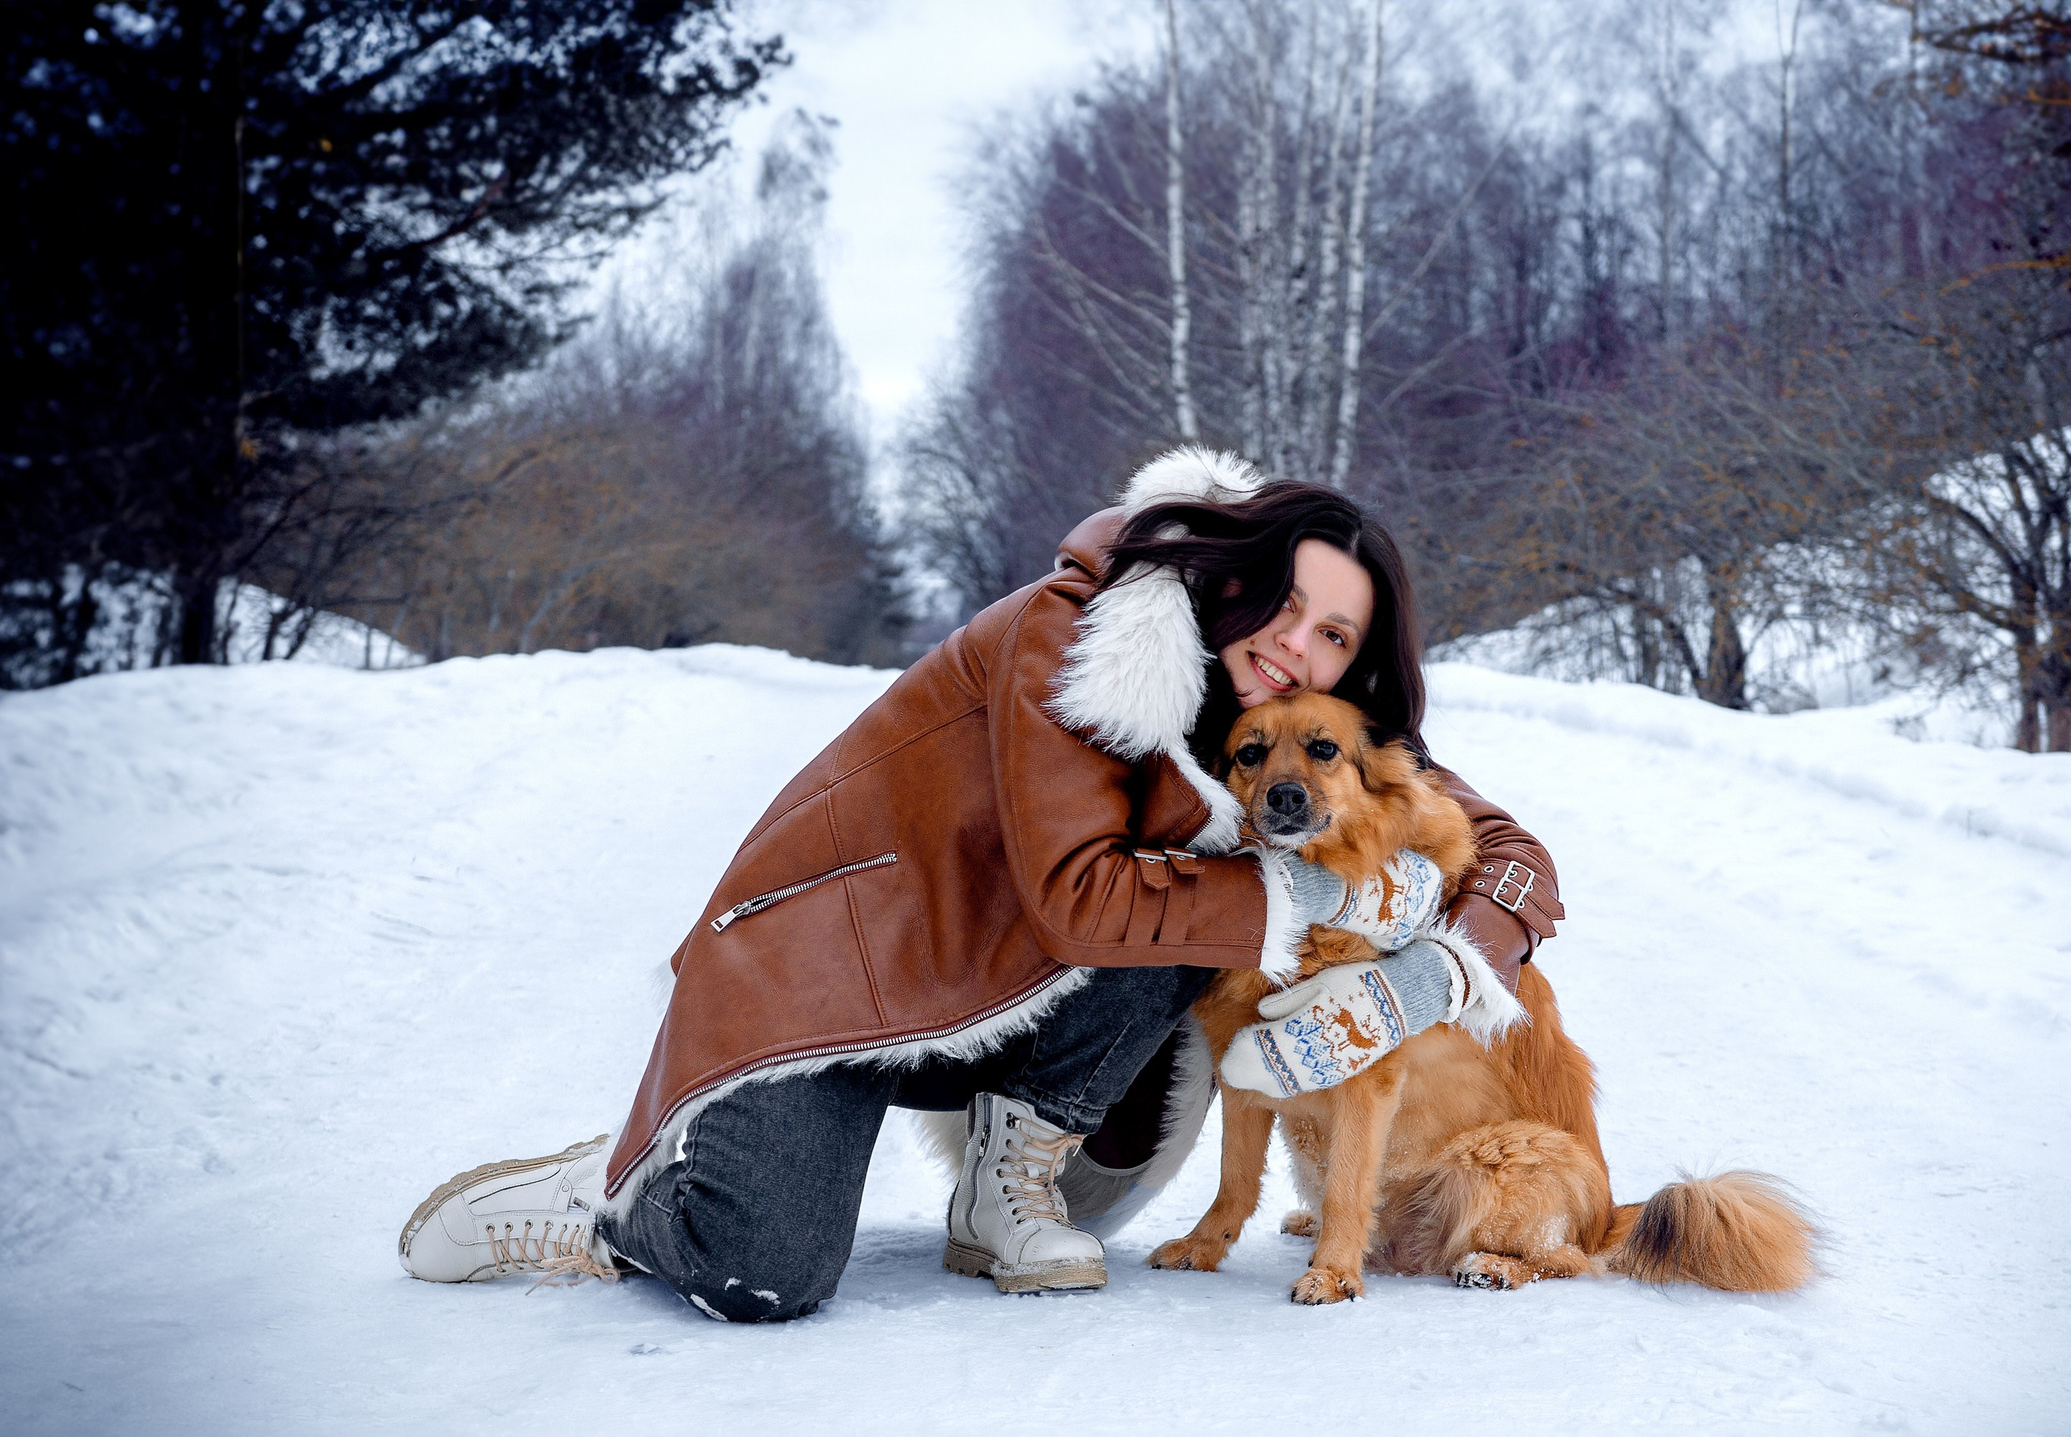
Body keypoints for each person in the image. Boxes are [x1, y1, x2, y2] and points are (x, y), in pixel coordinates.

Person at [395, 447, 1563, 1320]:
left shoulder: (1288, 730)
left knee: (1221, 903)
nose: (1295, 647)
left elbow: (1508, 851)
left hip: (1003, 1008)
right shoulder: (1084, 636)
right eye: (1286, 606)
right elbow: (1076, 901)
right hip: (840, 985)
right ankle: (615, 1190)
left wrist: (1444, 967)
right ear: (1233, 574)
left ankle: (1010, 1174)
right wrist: (1318, 902)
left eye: (1333, 638)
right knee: (766, 1277)